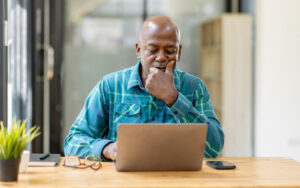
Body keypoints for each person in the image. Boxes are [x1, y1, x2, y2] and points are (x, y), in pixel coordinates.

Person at [64, 15, 224, 161]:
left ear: (179, 52)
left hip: (179, 179)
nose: (161, 57)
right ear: (139, 50)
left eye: (170, 51)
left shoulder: (194, 88)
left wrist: (174, 99)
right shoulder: (110, 86)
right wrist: (107, 148)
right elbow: (73, 141)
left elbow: (214, 148)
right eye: (153, 50)